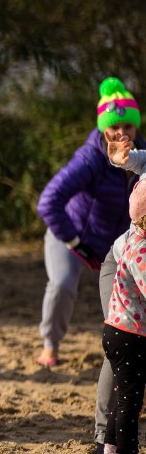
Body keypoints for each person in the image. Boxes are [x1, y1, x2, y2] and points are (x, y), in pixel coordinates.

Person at [34, 77, 142, 367]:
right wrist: (76, 244)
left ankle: (126, 359)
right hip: (70, 234)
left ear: (136, 127)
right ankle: (50, 346)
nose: (121, 133)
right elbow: (48, 201)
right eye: (114, 128)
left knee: (125, 301)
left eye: (127, 127)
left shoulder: (141, 157)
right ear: (103, 129)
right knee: (62, 284)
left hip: (115, 244)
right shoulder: (89, 159)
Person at [94, 115, 146, 454]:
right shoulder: (139, 244)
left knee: (128, 377)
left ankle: (112, 453)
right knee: (125, 372)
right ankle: (110, 448)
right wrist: (121, 157)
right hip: (123, 267)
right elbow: (132, 159)